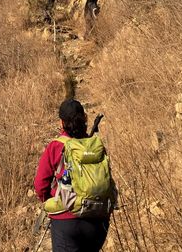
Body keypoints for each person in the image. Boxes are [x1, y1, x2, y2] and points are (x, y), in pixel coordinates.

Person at [34, 100, 113, 252]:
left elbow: (40, 185)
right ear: (85, 119)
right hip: (98, 221)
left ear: (61, 122)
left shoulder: (56, 146)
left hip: (67, 222)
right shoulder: (95, 145)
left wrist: (51, 201)